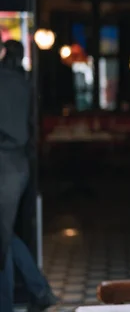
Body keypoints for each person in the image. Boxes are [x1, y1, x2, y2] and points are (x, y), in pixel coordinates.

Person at [0, 40, 58, 311]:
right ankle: (39, 291)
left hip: (4, 166)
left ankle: (10, 304)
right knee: (6, 235)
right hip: (19, 166)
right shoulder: (24, 83)